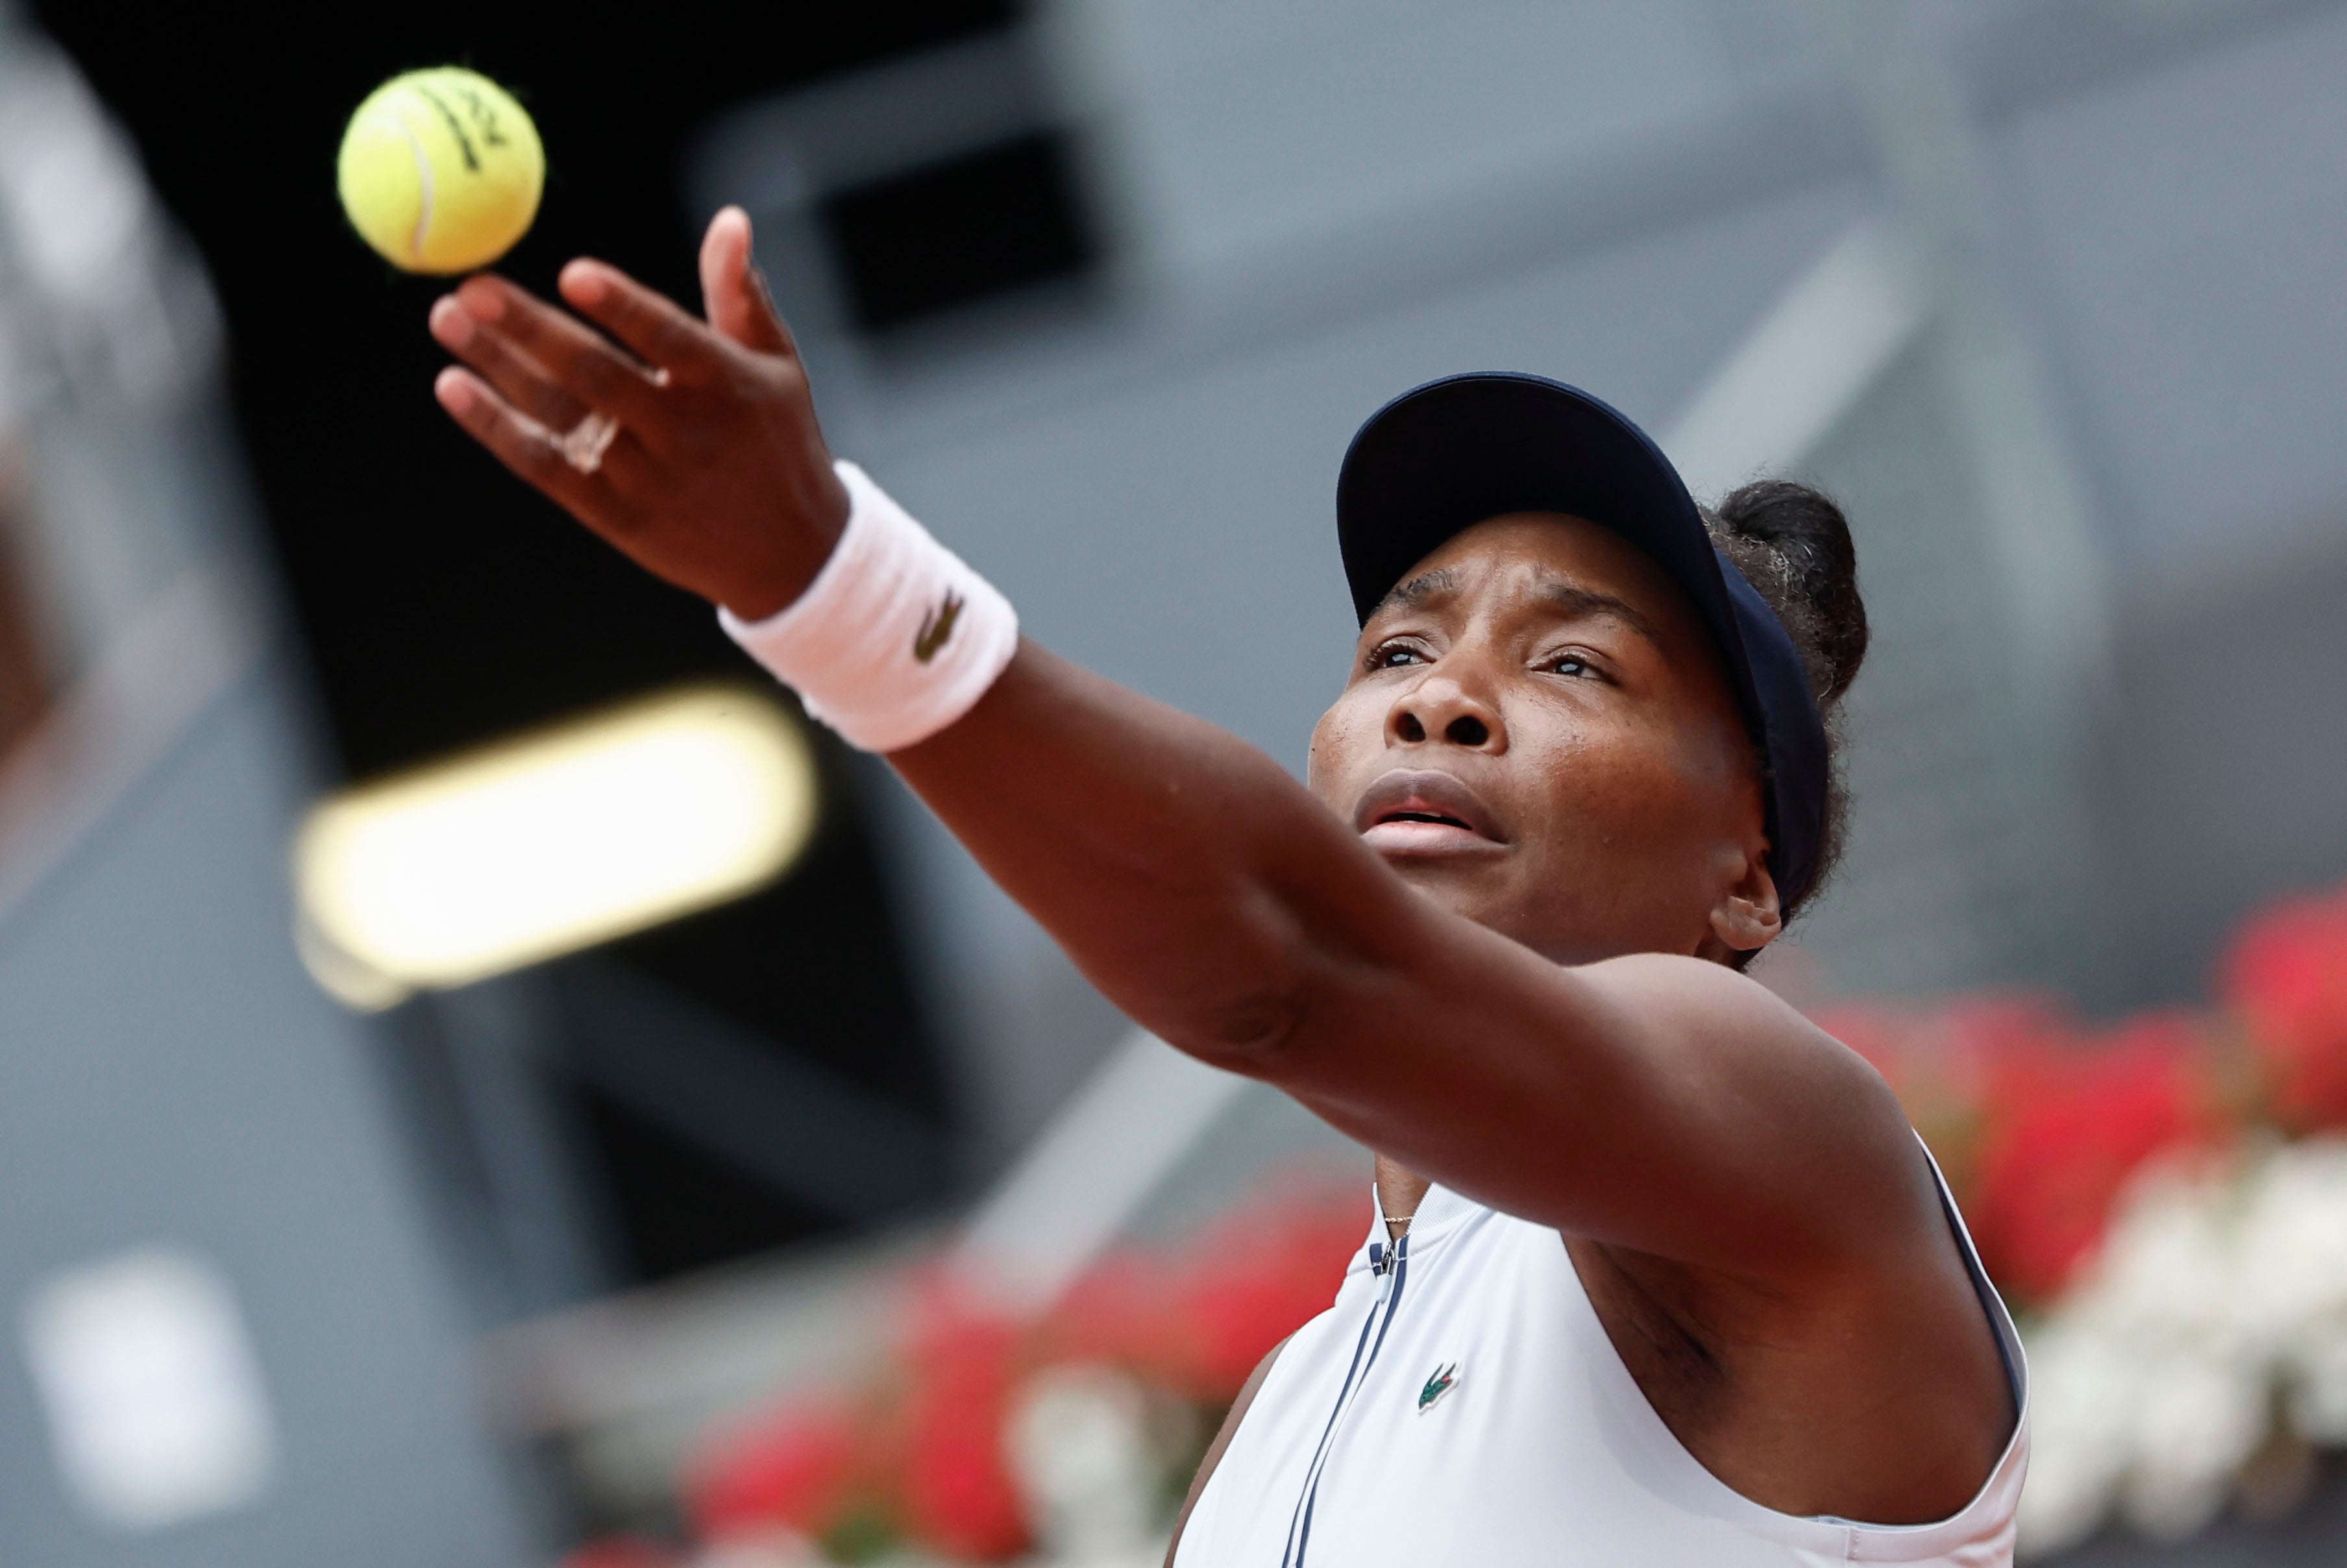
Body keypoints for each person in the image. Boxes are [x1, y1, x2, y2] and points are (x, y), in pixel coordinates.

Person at [426, 207, 2026, 1566]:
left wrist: (829, 586)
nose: (1434, 698)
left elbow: (1282, 963)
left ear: (1744, 877)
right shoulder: (1281, 1409)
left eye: (1570, 663)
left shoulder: (1785, 1138)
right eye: (1397, 648)